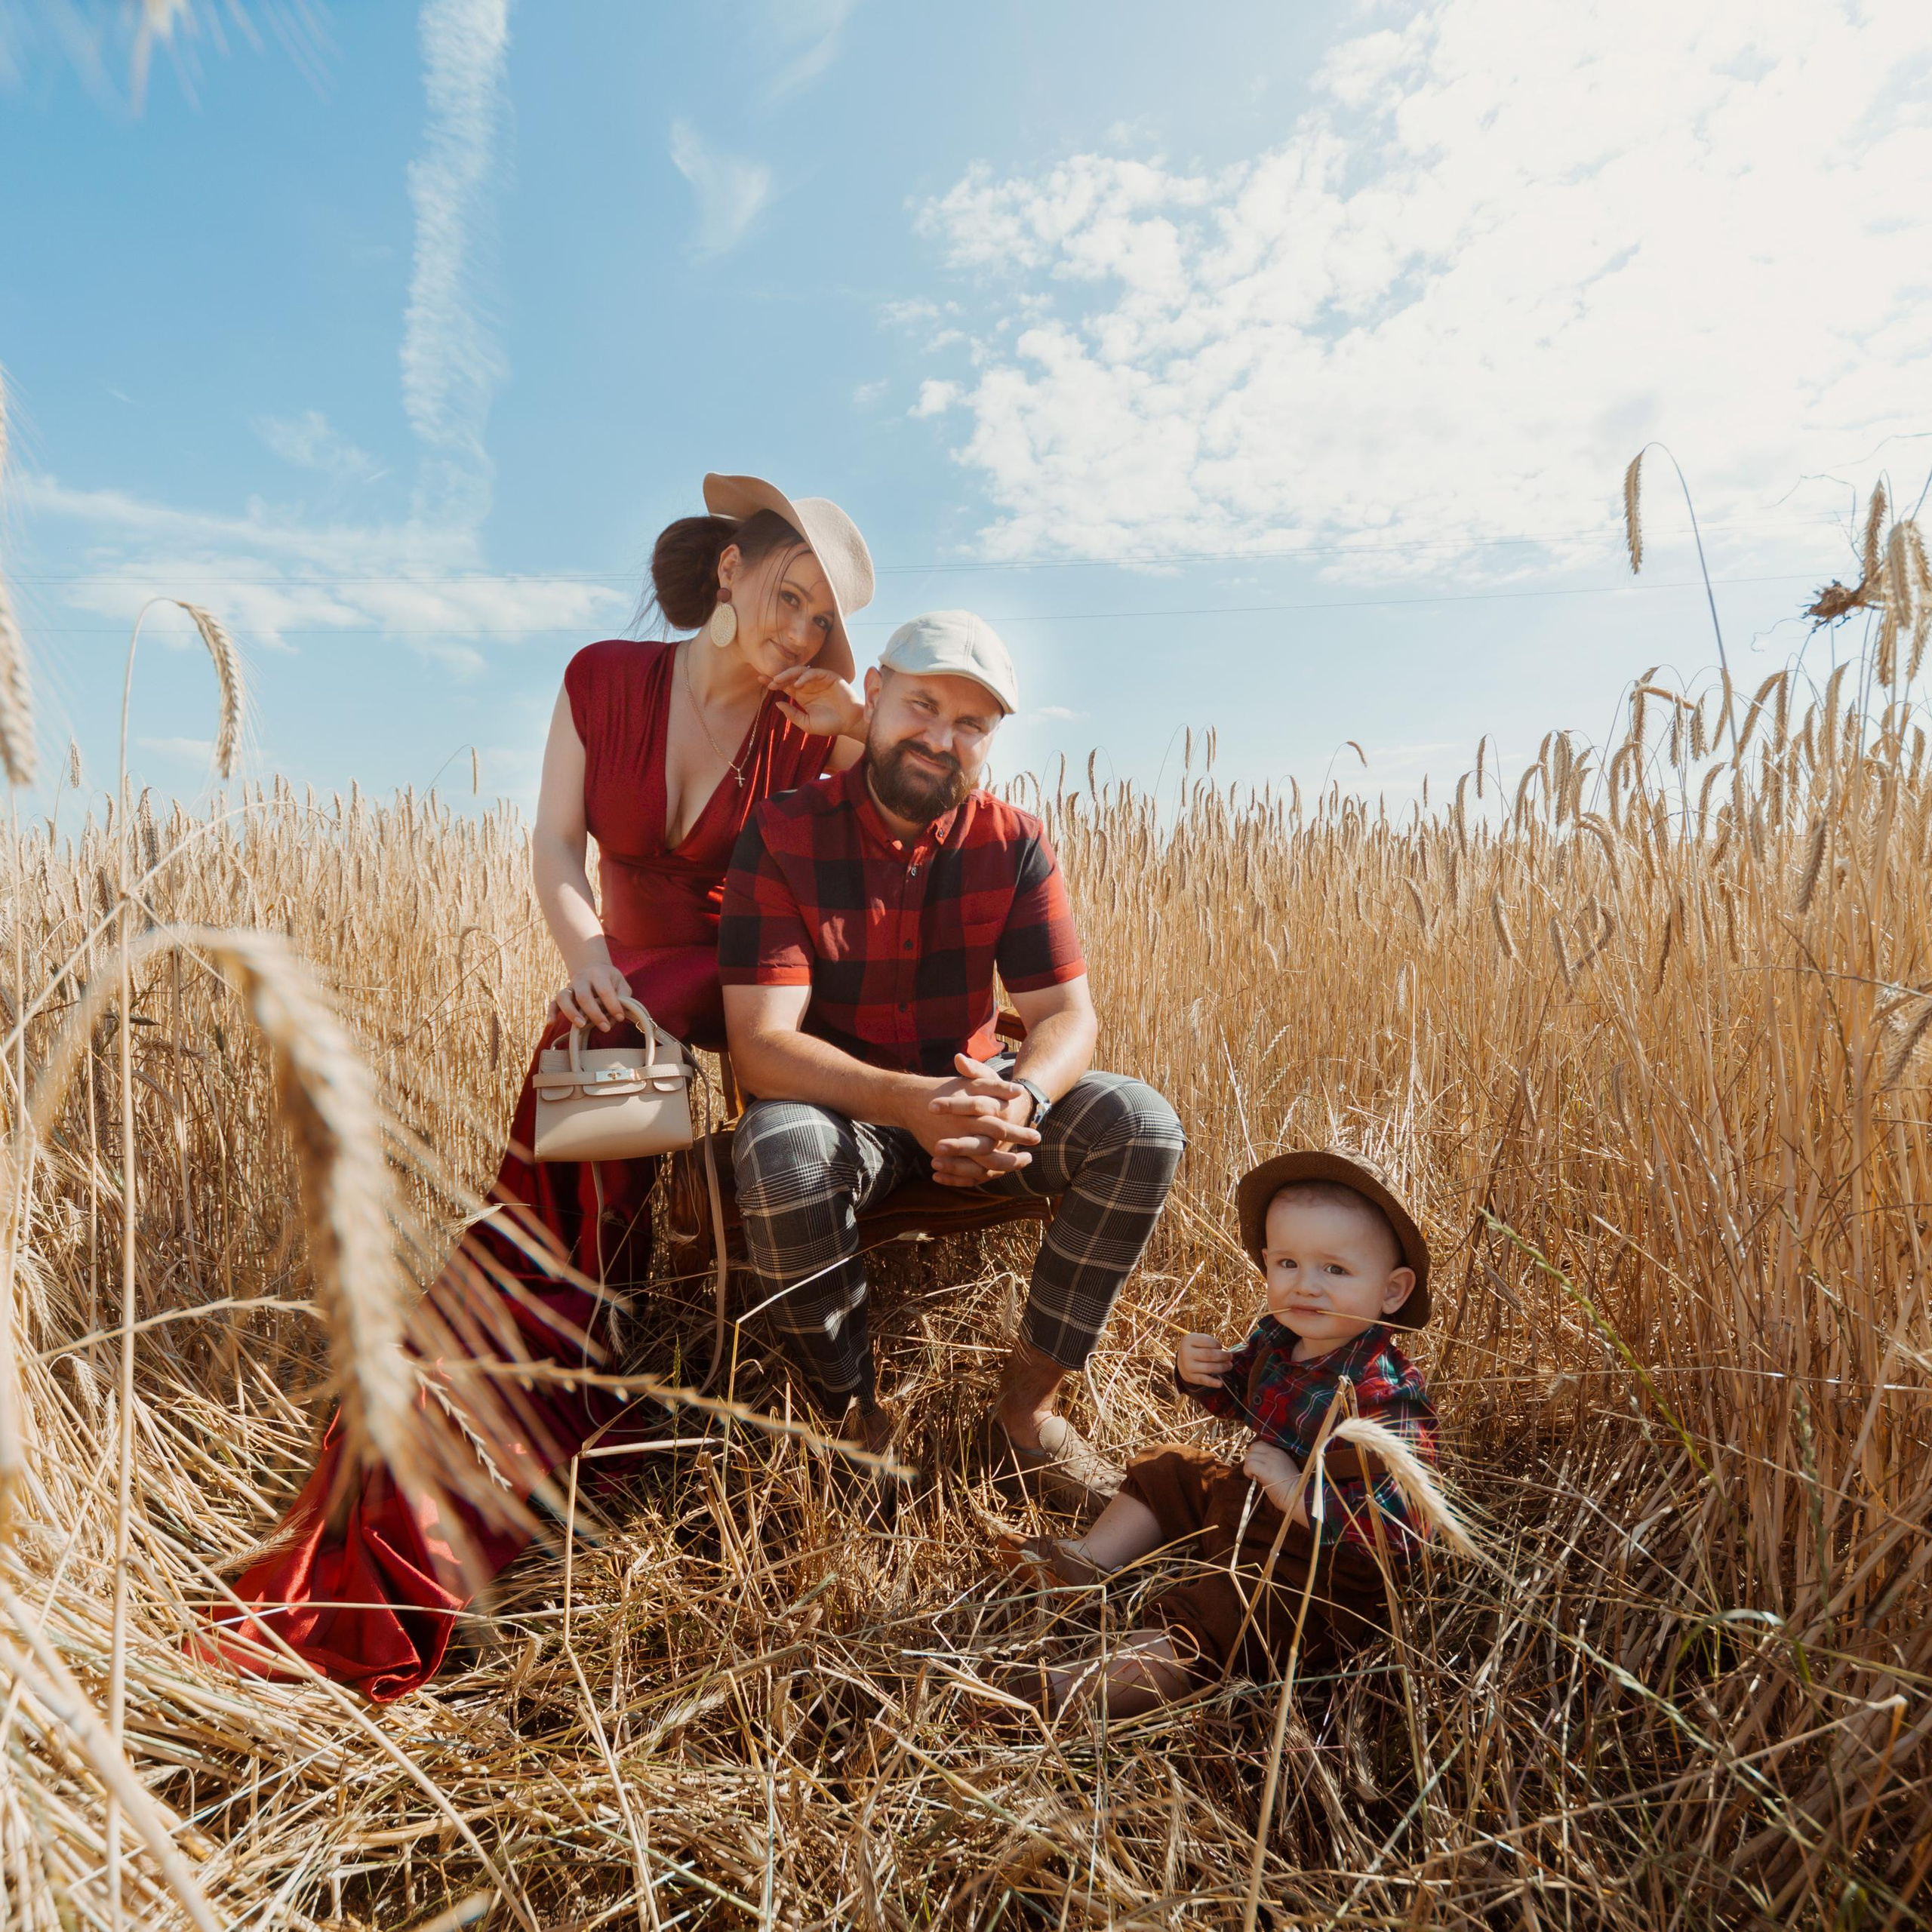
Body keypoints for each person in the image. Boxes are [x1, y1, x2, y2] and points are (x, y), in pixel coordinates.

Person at [216, 474, 875, 1701]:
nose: (797, 634)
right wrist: (584, 964)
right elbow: (553, 848)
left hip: (737, 990)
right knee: (579, 1041)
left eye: (820, 622)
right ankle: (527, 1345)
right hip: (617, 981)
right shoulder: (602, 679)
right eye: (788, 599)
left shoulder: (806, 722)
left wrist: (852, 714)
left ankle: (549, 1328)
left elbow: (912, 794)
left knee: (628, 1023)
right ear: (731, 574)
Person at [718, 610, 1186, 1513]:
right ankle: (854, 1426)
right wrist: (914, 1103)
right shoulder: (783, 832)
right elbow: (762, 1045)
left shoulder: (1012, 840)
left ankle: (1025, 1418)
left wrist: (1019, 1100)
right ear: (874, 696)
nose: (941, 737)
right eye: (922, 704)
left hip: (978, 1100)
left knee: (1141, 1123)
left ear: (993, 738)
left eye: (970, 723)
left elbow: (1064, 1016)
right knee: (781, 1153)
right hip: (841, 1110)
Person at [999, 1148, 1446, 1718]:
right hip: (1252, 1508)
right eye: (1287, 1264)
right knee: (1171, 1469)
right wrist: (1199, 1371)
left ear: (1392, 1290)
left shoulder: (1385, 1397)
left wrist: (1292, 1492)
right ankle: (1087, 1563)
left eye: (1335, 1269)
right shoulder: (1279, 1340)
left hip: (1319, 1569)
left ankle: (1059, 1697)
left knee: (1220, 1613)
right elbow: (1239, 1397)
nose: (1306, 1286)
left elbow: (1396, 1530)